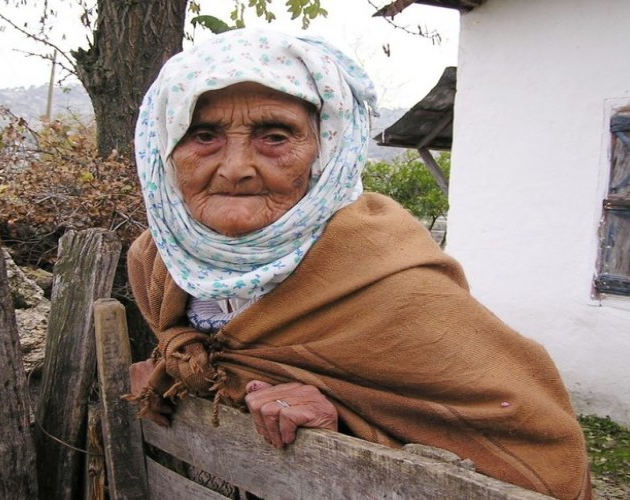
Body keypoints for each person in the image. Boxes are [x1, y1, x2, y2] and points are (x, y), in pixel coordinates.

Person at [127, 28, 592, 499]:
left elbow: (536, 451)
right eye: (203, 135)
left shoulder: (394, 284)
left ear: (326, 152)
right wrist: (168, 367)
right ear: (165, 149)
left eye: (275, 136)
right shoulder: (157, 263)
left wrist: (340, 423)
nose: (235, 168)